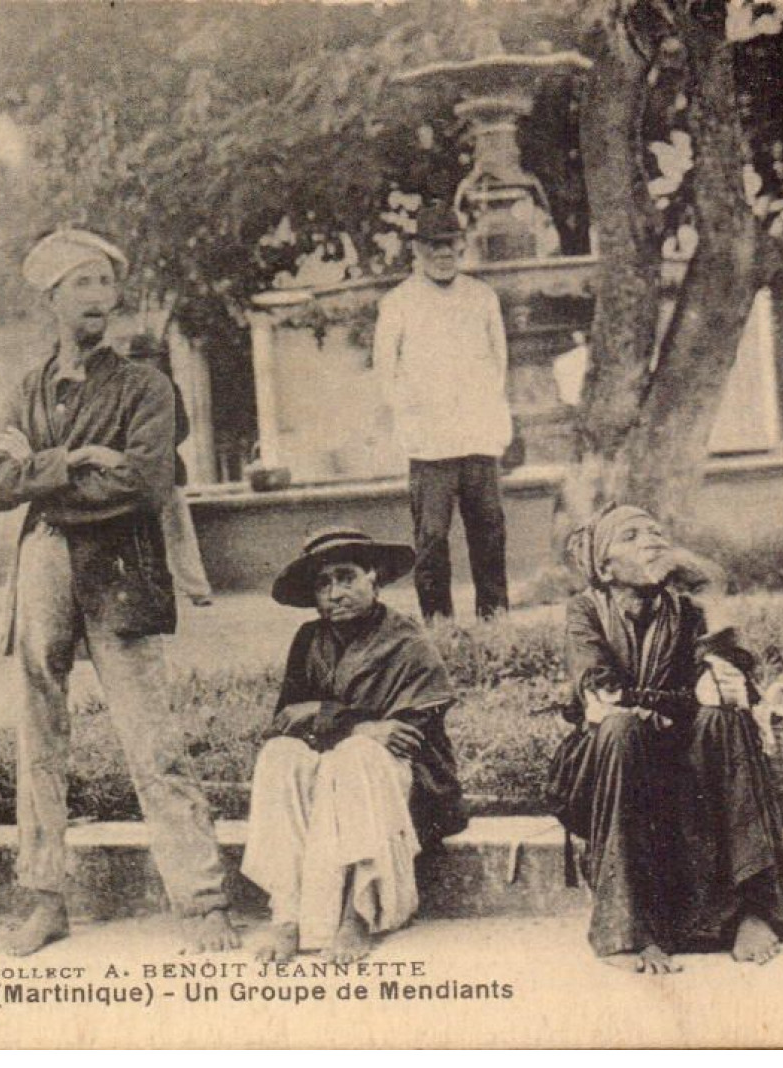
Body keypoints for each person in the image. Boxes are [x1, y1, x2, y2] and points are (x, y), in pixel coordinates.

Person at [0, 228, 236, 956]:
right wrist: (77, 459)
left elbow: (146, 482)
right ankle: (43, 897)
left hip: (120, 569)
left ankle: (202, 901)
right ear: (51, 299)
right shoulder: (30, 389)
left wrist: (45, 475)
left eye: (103, 284)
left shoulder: (146, 387)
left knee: (152, 741)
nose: (95, 298)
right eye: (79, 285)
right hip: (44, 565)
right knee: (38, 735)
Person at [546, 504, 783, 974]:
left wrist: (708, 590)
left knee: (725, 716)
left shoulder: (685, 610)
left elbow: (729, 671)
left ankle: (751, 910)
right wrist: (684, 696)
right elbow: (603, 693)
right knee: (621, 726)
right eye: (632, 536)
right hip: (611, 766)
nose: (652, 540)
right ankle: (625, 930)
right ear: (605, 567)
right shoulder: (586, 611)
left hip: (685, 761)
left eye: (657, 532)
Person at [242, 528, 466, 964]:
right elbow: (287, 721)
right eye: (323, 584)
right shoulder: (310, 640)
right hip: (336, 767)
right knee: (280, 757)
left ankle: (357, 914)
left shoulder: (407, 642)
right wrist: (358, 724)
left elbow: (405, 736)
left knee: (357, 756)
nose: (335, 593)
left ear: (374, 579)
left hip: (406, 787)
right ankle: (287, 915)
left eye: (346, 578)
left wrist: (331, 721)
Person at [372, 203, 511, 622]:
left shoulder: (482, 297)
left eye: (450, 243)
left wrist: (483, 415)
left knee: (489, 533)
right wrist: (415, 416)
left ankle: (494, 621)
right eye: (433, 245)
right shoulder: (398, 303)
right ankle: (438, 626)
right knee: (431, 538)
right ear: (417, 249)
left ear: (462, 244)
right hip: (429, 445)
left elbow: (498, 363)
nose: (443, 253)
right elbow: (386, 373)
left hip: (477, 439)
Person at [126, 334, 214, 606]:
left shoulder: (168, 388)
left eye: (147, 357)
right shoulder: (124, 392)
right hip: (133, 473)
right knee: (134, 534)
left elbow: (183, 428)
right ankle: (145, 593)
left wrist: (155, 448)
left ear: (157, 358)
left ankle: (197, 590)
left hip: (167, 470)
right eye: (136, 359)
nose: (143, 364)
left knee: (177, 531)